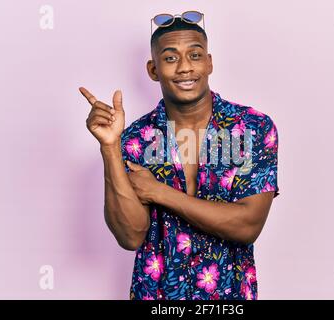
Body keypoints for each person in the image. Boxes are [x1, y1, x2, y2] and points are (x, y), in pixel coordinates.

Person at [79, 12, 280, 300]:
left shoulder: (252, 128)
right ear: (153, 69)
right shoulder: (135, 139)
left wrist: (158, 192)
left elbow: (246, 226)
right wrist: (109, 147)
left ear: (209, 63)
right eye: (171, 58)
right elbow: (130, 235)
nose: (185, 68)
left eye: (195, 55)